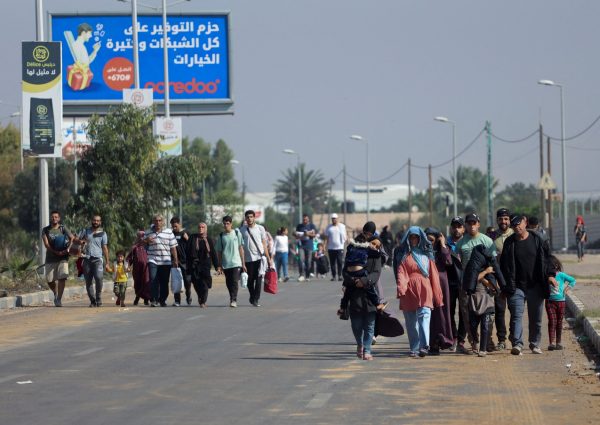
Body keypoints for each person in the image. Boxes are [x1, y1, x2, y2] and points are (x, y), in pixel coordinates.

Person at [500, 213, 555, 355]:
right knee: (516, 316)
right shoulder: (509, 243)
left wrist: (550, 276)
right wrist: (503, 287)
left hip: (536, 286)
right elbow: (504, 266)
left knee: (536, 318)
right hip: (516, 286)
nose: (517, 227)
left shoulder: (538, 239)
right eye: (514, 225)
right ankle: (517, 344)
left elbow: (548, 259)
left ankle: (534, 343)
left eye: (519, 223)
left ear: (525, 222)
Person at [395, 226, 444, 358]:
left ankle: (424, 346)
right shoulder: (404, 256)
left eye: (416, 237)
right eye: (411, 237)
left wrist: (437, 295)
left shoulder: (428, 255)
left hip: (425, 288)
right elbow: (401, 274)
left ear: (421, 238)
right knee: (411, 321)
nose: (414, 239)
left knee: (424, 316)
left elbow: (434, 276)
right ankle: (414, 347)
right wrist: (401, 288)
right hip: (409, 290)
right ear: (408, 239)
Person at [455, 213, 496, 353]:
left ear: (478, 224)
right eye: (469, 223)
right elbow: (457, 263)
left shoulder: (487, 241)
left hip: (485, 284)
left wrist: (489, 280)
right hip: (467, 284)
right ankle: (474, 341)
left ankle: (487, 339)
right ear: (465, 225)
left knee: (488, 314)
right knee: (467, 315)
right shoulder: (461, 243)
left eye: (474, 223)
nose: (472, 226)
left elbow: (493, 263)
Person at [343, 223, 383, 361]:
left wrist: (364, 281)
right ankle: (359, 344)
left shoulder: (376, 252)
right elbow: (346, 269)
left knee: (370, 324)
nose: (369, 238)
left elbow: (377, 272)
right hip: (354, 293)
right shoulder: (353, 248)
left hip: (370, 292)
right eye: (366, 234)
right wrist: (353, 281)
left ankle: (367, 350)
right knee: (356, 325)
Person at [424, 227, 454, 355]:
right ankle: (432, 344)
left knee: (441, 313)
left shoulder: (442, 249)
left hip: (441, 284)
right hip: (426, 283)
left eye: (432, 240)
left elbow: (448, 261)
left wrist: (442, 243)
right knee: (427, 313)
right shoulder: (422, 250)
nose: (429, 242)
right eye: (427, 239)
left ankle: (443, 339)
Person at [338, 234, 384, 313]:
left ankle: (342, 308)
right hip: (360, 272)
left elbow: (346, 261)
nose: (374, 246)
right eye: (373, 244)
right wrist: (379, 252)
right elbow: (377, 254)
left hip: (350, 272)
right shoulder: (366, 248)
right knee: (370, 289)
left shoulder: (351, 247)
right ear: (367, 242)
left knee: (347, 293)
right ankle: (377, 303)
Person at [144, 214, 178, 307]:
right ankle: (154, 300)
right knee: (153, 280)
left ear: (163, 222)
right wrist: (146, 240)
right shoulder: (148, 232)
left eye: (159, 220)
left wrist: (175, 260)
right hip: (152, 260)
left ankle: (162, 299)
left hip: (166, 261)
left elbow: (173, 247)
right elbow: (142, 244)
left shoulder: (169, 232)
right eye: (156, 220)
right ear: (153, 222)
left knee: (164, 281)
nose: (158, 222)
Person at [41, 211, 74, 307]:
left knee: (62, 277)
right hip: (51, 257)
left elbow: (72, 237)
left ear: (59, 218)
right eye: (52, 217)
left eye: (56, 217)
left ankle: (59, 298)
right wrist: (55, 252)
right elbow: (46, 244)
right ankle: (55, 293)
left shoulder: (63, 228)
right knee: (49, 280)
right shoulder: (45, 230)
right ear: (50, 218)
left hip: (63, 257)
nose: (54, 218)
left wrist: (68, 249)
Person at [239, 210, 272, 307]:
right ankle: (252, 295)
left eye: (251, 217)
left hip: (259, 258)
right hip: (248, 260)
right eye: (247, 217)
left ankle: (256, 299)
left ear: (254, 218)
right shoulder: (242, 230)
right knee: (249, 280)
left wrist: (269, 258)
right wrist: (242, 262)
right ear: (245, 219)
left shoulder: (260, 229)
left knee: (258, 279)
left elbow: (264, 244)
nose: (249, 219)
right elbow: (240, 246)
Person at [76, 215, 110, 308]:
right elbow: (76, 239)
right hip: (86, 259)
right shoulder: (85, 231)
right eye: (94, 220)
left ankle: (98, 297)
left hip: (98, 260)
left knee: (99, 278)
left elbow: (105, 248)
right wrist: (81, 242)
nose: (96, 222)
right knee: (88, 281)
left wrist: (107, 262)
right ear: (92, 221)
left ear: (100, 222)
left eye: (98, 221)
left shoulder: (103, 233)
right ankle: (92, 300)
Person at [492, 207, 513, 351]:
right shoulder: (491, 237)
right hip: (498, 279)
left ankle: (515, 338)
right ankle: (501, 339)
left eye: (506, 219)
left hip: (514, 279)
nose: (503, 221)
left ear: (509, 220)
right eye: (501, 219)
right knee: (500, 310)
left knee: (515, 310)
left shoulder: (515, 234)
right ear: (497, 220)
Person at [546, 255, 576, 351]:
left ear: (556, 266)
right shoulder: (546, 276)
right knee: (552, 321)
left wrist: (567, 288)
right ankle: (552, 343)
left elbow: (573, 280)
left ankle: (558, 342)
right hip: (550, 302)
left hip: (561, 303)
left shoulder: (561, 275)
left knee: (559, 322)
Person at [215, 215, 245, 308]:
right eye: (224, 224)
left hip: (236, 262)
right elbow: (219, 252)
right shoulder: (221, 236)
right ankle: (231, 296)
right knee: (229, 282)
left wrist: (243, 263)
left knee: (235, 281)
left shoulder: (237, 233)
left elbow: (241, 248)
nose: (226, 225)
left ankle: (233, 299)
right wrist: (219, 265)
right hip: (226, 263)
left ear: (231, 224)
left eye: (227, 223)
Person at [187, 222, 219, 307]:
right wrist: (188, 264)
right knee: (196, 283)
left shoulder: (209, 239)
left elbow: (213, 254)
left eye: (203, 227)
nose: (201, 228)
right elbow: (187, 251)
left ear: (206, 229)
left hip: (205, 265)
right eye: (199, 227)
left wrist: (217, 266)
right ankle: (200, 297)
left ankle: (203, 302)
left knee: (205, 284)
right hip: (195, 265)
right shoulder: (193, 238)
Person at [446, 216, 465, 351]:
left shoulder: (467, 242)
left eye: (459, 226)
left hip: (464, 283)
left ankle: (462, 340)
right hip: (449, 283)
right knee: (450, 312)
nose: (456, 229)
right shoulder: (445, 243)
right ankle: (454, 337)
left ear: (463, 228)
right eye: (454, 227)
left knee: (464, 313)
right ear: (451, 228)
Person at [170, 217, 192, 306]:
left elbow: (192, 246)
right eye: (172, 226)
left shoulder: (185, 233)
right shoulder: (171, 234)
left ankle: (188, 295)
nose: (174, 228)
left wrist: (188, 239)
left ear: (180, 224)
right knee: (176, 280)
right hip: (174, 261)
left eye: (175, 226)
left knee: (187, 280)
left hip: (185, 261)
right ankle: (177, 300)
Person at [127, 230, 150, 306]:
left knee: (146, 283)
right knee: (138, 284)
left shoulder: (148, 246)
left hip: (146, 269)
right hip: (137, 270)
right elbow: (129, 258)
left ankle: (146, 299)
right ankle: (137, 298)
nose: (141, 238)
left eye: (143, 236)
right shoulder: (134, 247)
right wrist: (128, 266)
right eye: (139, 236)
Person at [295, 214, 318, 281]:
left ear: (308, 219)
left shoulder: (312, 226)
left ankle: (307, 275)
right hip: (301, 245)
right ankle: (301, 275)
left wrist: (308, 234)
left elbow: (314, 235)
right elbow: (296, 235)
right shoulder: (299, 226)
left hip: (309, 246)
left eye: (306, 219)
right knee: (300, 260)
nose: (304, 221)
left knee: (308, 261)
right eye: (303, 219)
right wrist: (299, 235)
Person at [325, 213, 347, 281]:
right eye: (332, 218)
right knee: (332, 263)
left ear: (337, 219)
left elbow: (345, 236)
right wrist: (324, 246)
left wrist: (347, 242)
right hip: (331, 248)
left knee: (340, 262)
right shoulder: (328, 227)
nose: (334, 219)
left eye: (335, 218)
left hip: (340, 247)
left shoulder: (342, 226)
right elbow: (326, 237)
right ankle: (334, 276)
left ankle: (340, 275)